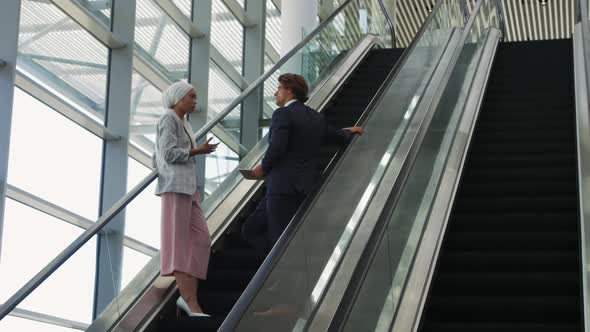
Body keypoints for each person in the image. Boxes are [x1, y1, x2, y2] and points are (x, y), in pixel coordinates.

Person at [241, 73, 364, 254]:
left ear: (289, 91)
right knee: (250, 229)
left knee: (279, 242)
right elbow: (333, 136)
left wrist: (262, 167)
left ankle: (279, 273)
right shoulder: (315, 117)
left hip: (281, 188)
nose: (276, 93)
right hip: (304, 188)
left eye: (279, 89)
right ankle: (275, 266)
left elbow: (278, 146)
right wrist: (348, 131)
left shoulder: (282, 113)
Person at [154, 81, 219, 317]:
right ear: (178, 98)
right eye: (191, 96)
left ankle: (188, 298)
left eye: (195, 96)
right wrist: (197, 151)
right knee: (180, 247)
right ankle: (191, 303)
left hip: (189, 189)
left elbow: (160, 156)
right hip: (175, 188)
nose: (195, 100)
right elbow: (167, 153)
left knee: (201, 240)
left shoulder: (183, 122)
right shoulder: (168, 118)